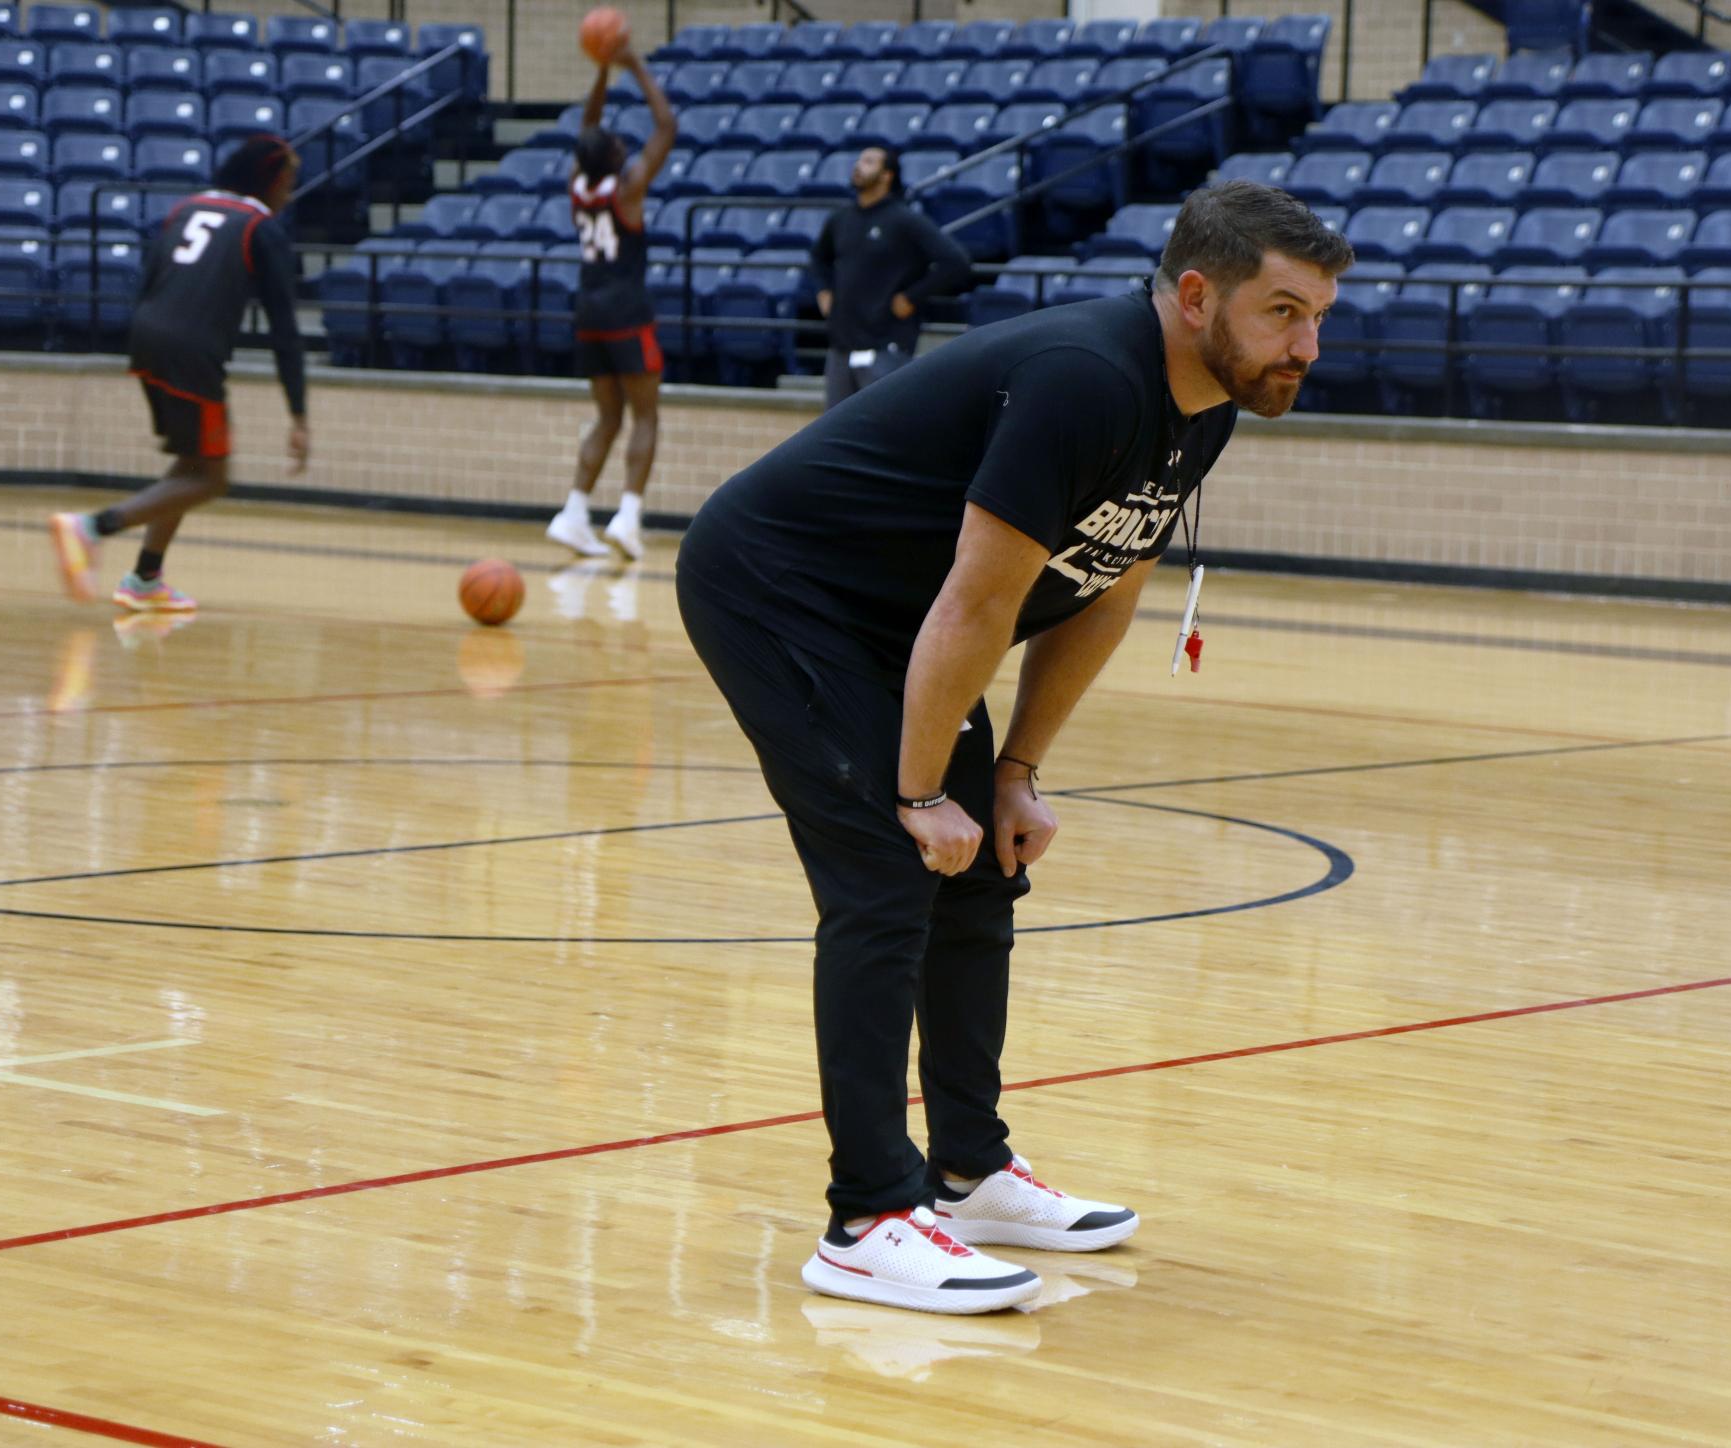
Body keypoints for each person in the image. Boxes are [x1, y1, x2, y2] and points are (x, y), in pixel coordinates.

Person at [676, 182, 1352, 1314]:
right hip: (782, 592)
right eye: (1285, 312)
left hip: (908, 619)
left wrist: (1011, 773)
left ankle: (967, 1169)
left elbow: (1105, 583)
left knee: (986, 864)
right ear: (1197, 296)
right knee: (886, 874)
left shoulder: (1207, 407)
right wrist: (912, 790)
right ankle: (865, 1217)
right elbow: (984, 600)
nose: (1308, 346)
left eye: (1321, 316)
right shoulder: (1084, 381)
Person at [48, 134, 309, 611]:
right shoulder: (261, 226)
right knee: (212, 479)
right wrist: (298, 413)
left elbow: (150, 276)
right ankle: (92, 528)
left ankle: (146, 578)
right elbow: (285, 330)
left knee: (192, 461)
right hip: (192, 349)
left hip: (146, 333)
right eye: (289, 180)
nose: (291, 192)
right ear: (270, 179)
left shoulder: (185, 209)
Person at [545, 43, 676, 564]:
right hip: (626, 310)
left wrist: (601, 70)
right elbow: (667, 128)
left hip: (588, 311)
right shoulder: (628, 190)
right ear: (616, 158)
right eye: (621, 144)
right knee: (645, 416)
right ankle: (628, 516)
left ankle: (574, 514)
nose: (626, 145)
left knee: (606, 417)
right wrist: (634, 66)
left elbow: (589, 129)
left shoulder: (579, 186)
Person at [809, 146, 973, 409]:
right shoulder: (840, 219)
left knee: (881, 429)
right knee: (835, 435)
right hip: (841, 346)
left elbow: (956, 262)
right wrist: (824, 291)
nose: (859, 166)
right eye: (859, 159)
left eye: (869, 161)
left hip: (885, 345)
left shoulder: (904, 220)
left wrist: (912, 297)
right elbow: (818, 258)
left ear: (887, 175)